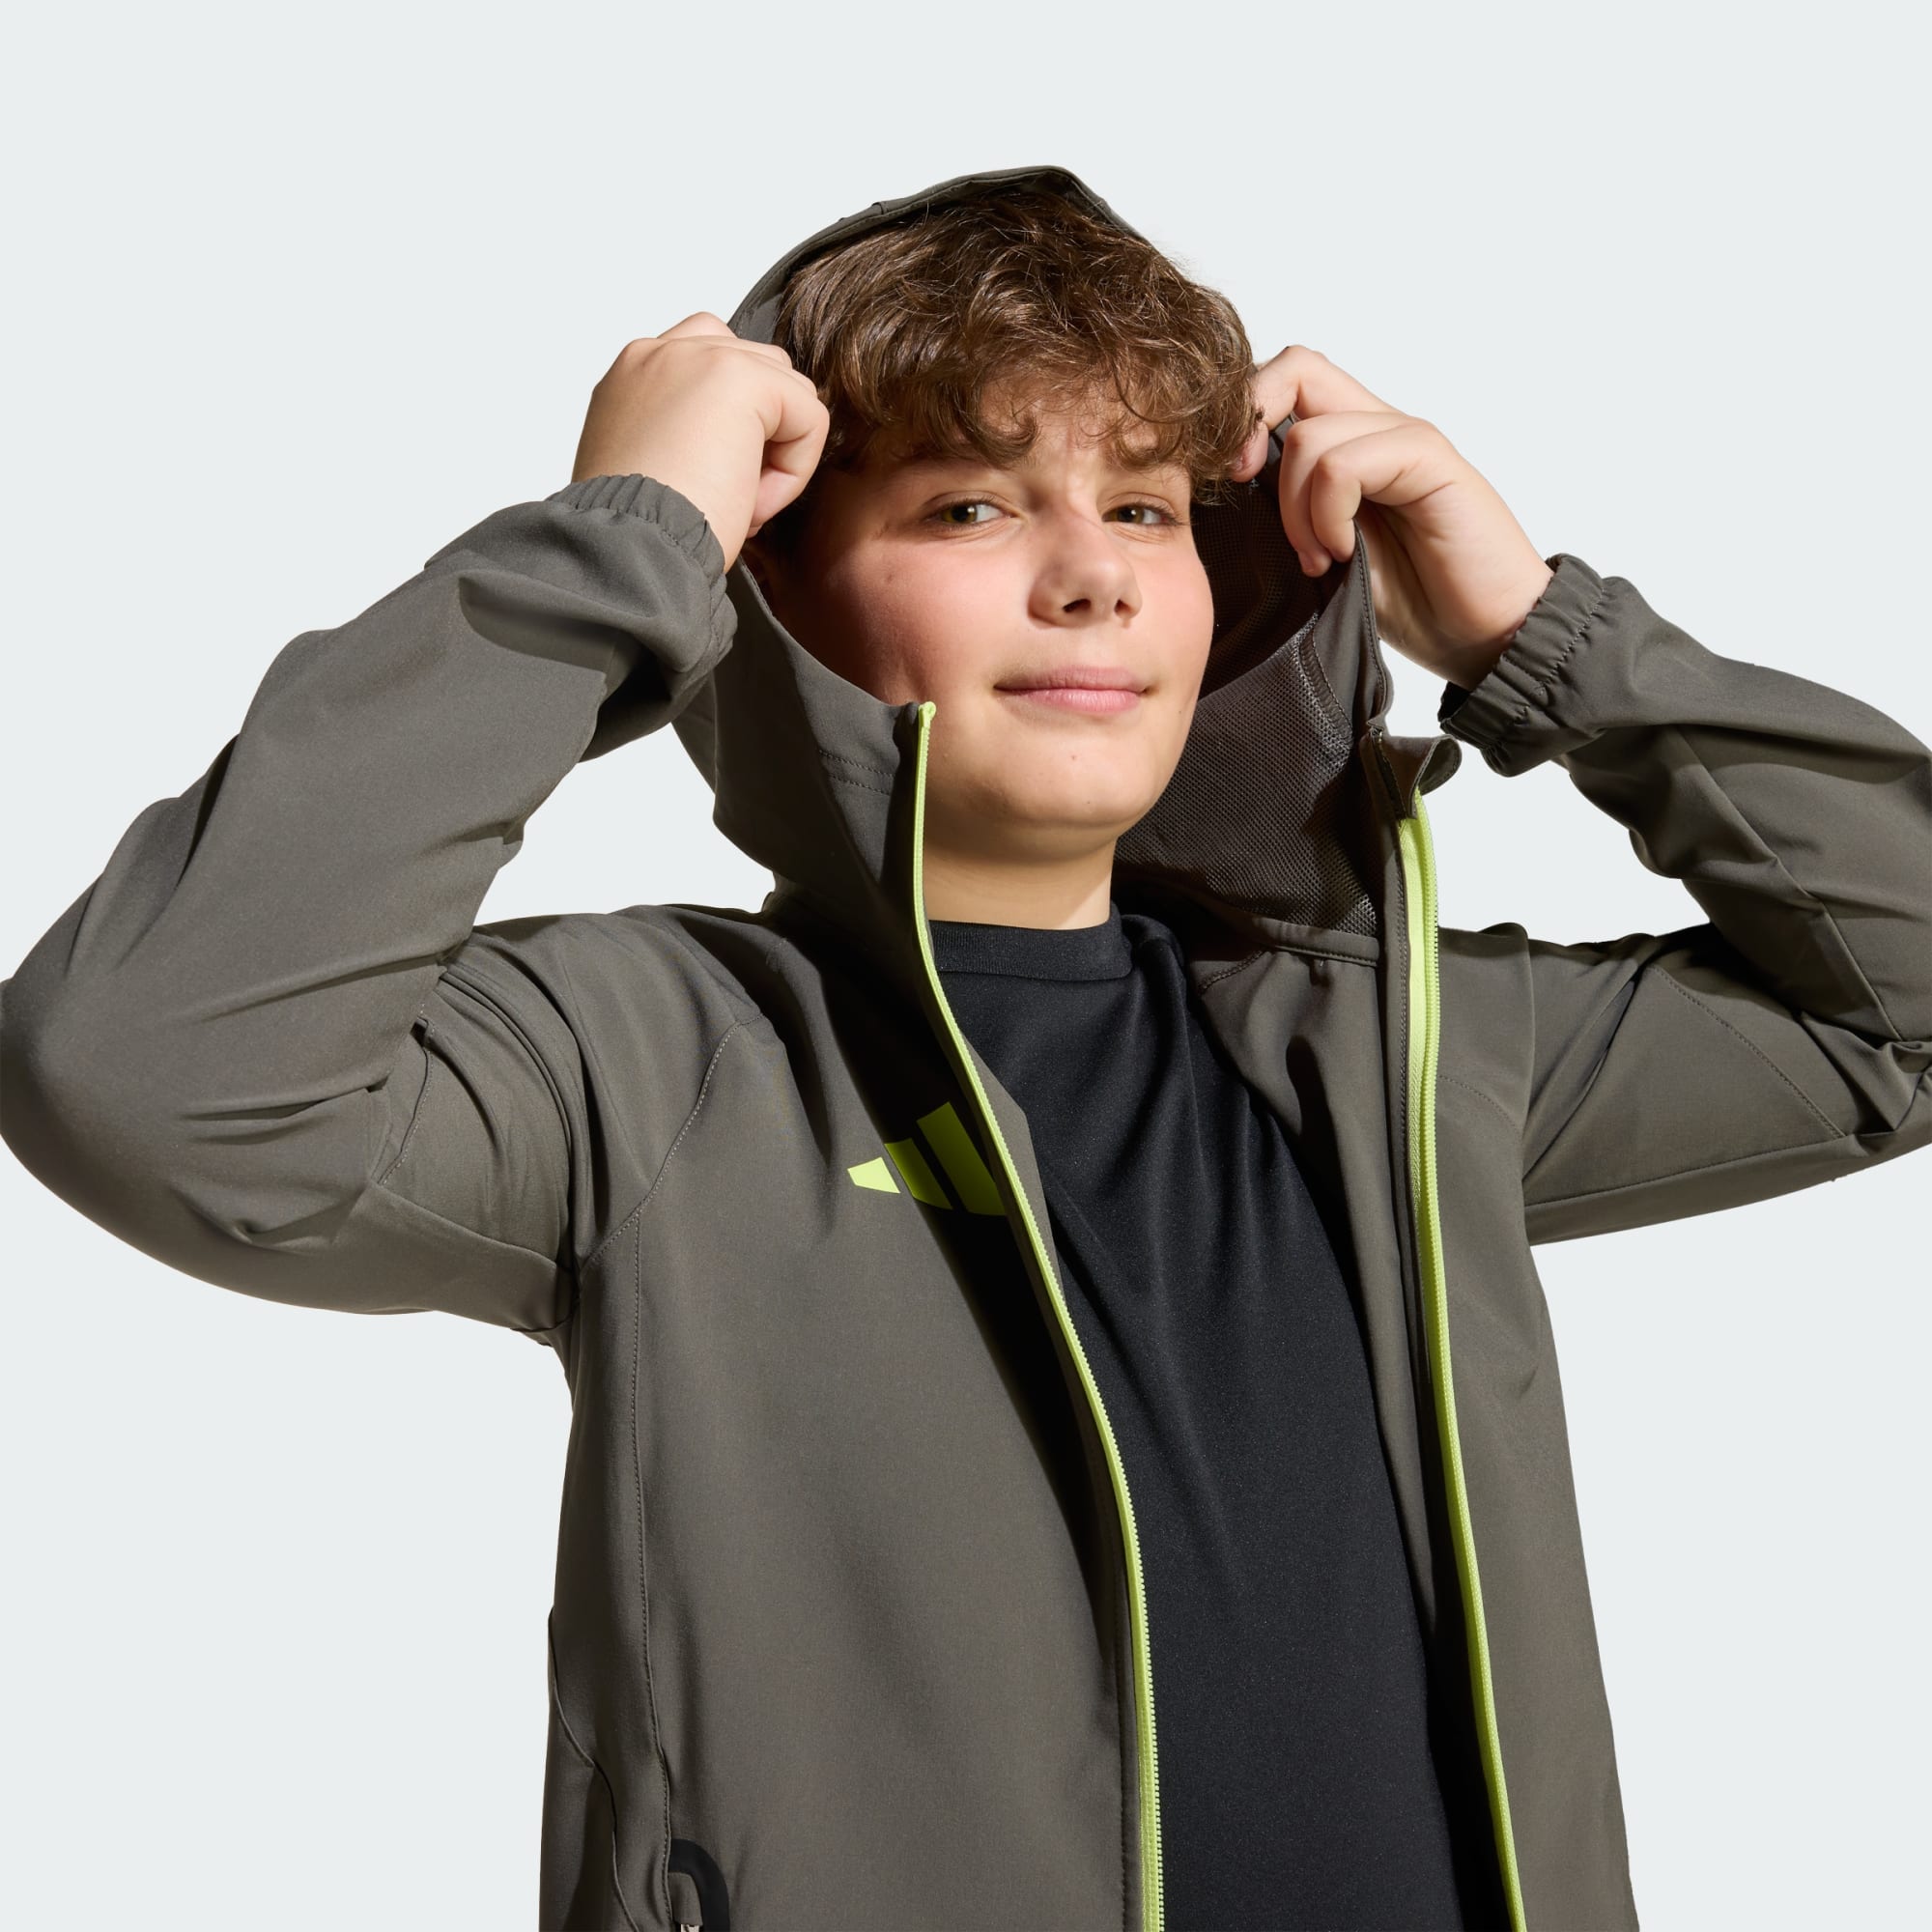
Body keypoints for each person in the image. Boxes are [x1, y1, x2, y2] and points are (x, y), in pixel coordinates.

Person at [3, 163, 1927, 1932]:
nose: (1092, 574)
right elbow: (150, 1075)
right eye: (971, 505)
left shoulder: (1391, 1054)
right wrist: (615, 548)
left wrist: (1543, 639)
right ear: (768, 591)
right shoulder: (653, 1067)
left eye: (1148, 509)